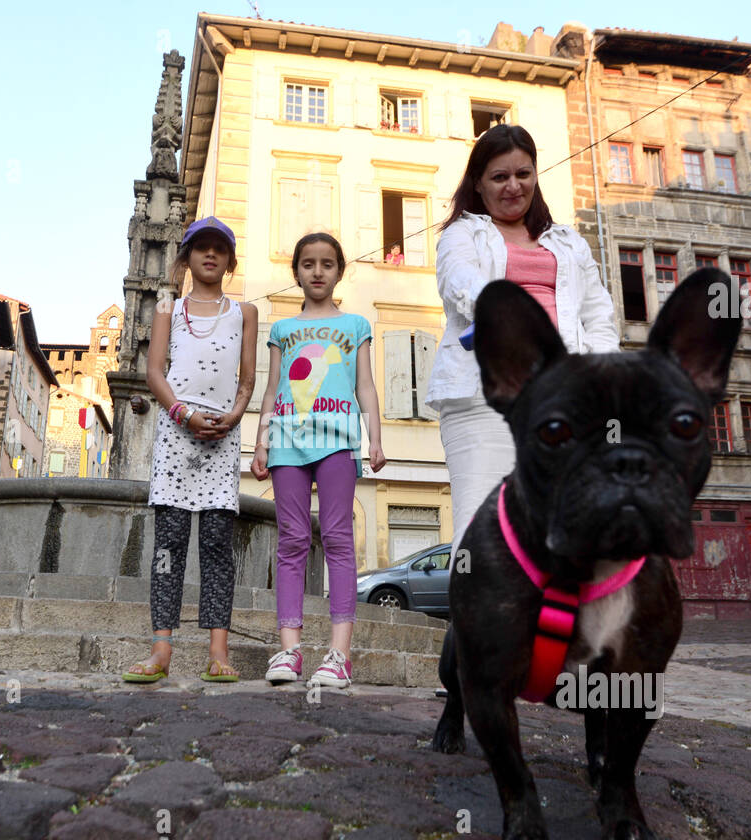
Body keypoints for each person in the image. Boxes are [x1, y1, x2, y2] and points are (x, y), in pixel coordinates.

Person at [425, 124, 620, 538]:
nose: (513, 186)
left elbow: (599, 315)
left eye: (523, 174)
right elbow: (462, 283)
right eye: (499, 177)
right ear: (478, 184)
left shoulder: (569, 242)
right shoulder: (462, 235)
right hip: (483, 397)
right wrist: (516, 326)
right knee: (483, 529)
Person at [122, 216, 258, 684]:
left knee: (218, 545)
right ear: (186, 256)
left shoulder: (245, 313)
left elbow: (247, 378)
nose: (210, 255)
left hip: (223, 434)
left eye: (220, 248)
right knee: (169, 543)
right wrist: (183, 414)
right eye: (201, 247)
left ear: (230, 259)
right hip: (176, 432)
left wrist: (235, 416)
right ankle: (161, 648)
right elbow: (155, 372)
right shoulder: (168, 308)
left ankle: (218, 651)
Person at [251, 233, 386, 689]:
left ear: (339, 271)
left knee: (337, 538)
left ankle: (340, 655)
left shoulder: (355, 325)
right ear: (297, 272)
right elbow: (271, 390)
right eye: (308, 263)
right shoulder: (282, 330)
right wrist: (261, 444)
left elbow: (365, 385)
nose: (317, 271)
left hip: (338, 442)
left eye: (327, 263)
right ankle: (289, 652)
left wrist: (376, 439)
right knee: (290, 541)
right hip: (287, 442)